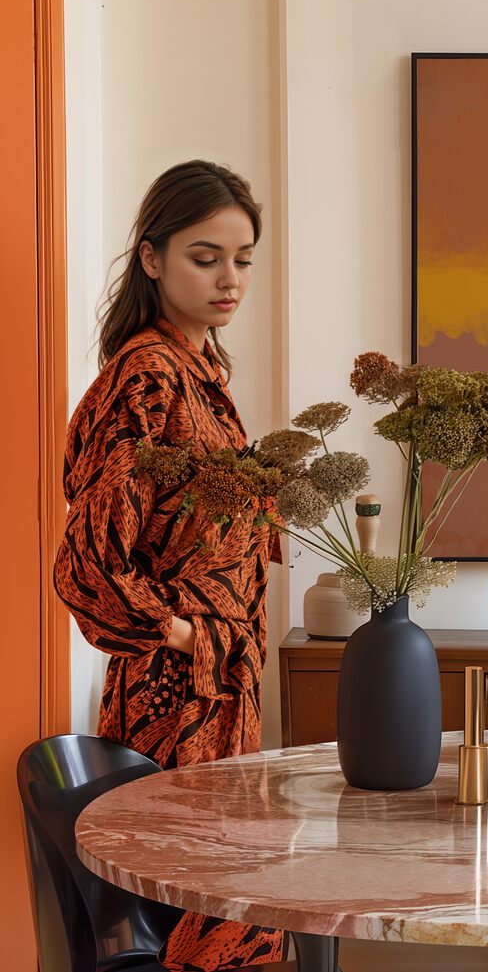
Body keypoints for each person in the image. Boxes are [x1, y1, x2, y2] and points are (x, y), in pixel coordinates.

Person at [54, 160, 285, 971]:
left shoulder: (199, 370)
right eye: (206, 256)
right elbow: (86, 565)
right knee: (199, 915)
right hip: (174, 702)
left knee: (227, 911)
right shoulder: (149, 374)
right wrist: (185, 635)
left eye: (244, 257)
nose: (231, 278)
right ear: (151, 259)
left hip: (221, 702)